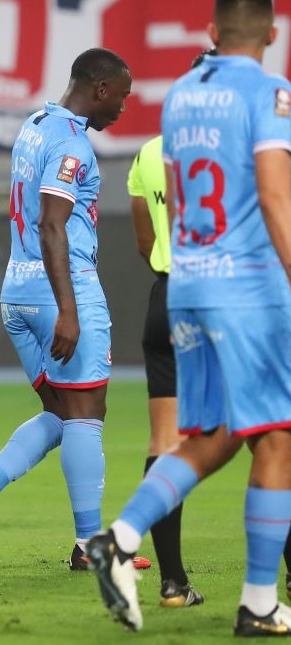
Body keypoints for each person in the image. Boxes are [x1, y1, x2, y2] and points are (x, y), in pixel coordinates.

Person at [89, 0, 291, 635]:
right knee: (278, 436)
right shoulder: (269, 93)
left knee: (215, 435)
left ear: (210, 33)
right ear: (270, 34)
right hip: (247, 285)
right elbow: (272, 193)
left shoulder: (179, 97)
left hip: (186, 284)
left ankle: (119, 535)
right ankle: (260, 600)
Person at [0, 48, 133, 570]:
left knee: (60, 412)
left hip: (17, 291)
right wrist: (69, 311)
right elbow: (52, 225)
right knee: (87, 415)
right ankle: (91, 547)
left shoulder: (35, 123)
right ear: (99, 89)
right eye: (121, 95)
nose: (123, 107)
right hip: (61, 292)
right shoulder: (74, 145)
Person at [121, 55, 212, 609]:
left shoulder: (149, 152)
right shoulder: (245, 146)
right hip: (228, 298)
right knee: (273, 438)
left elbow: (142, 238)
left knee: (165, 443)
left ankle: (172, 582)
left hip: (168, 296)